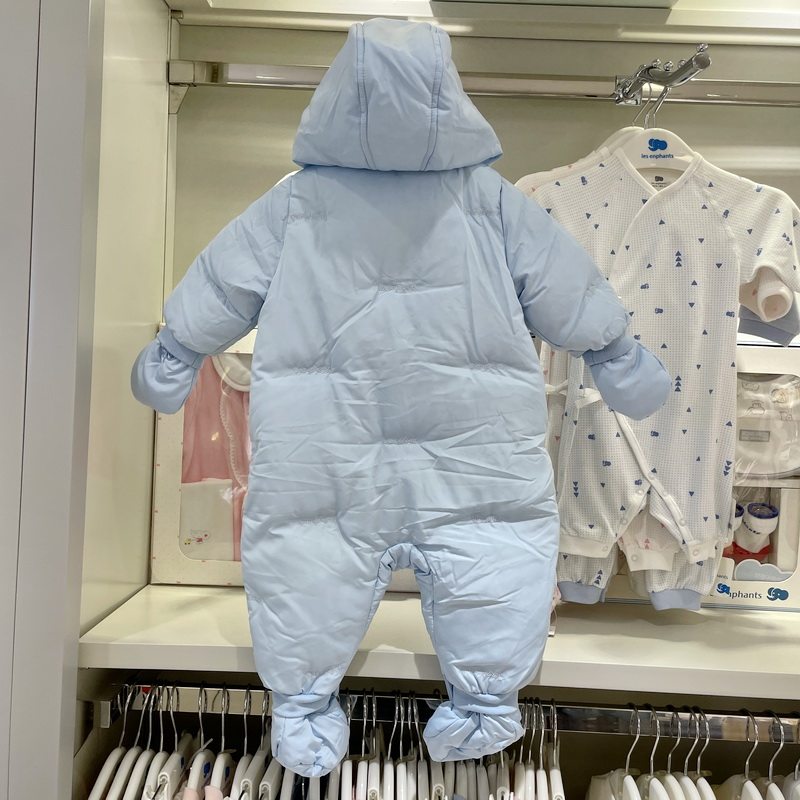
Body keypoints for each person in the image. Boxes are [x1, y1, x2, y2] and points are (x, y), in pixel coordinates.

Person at [132, 17, 669, 777]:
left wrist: (176, 351)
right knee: (494, 545)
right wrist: (616, 353)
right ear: (449, 100)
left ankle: (301, 705)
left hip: (325, 449)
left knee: (305, 552)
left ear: (334, 99)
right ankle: (486, 704)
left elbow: (223, 281)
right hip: (475, 450)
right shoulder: (491, 204)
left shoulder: (296, 205)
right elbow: (566, 285)